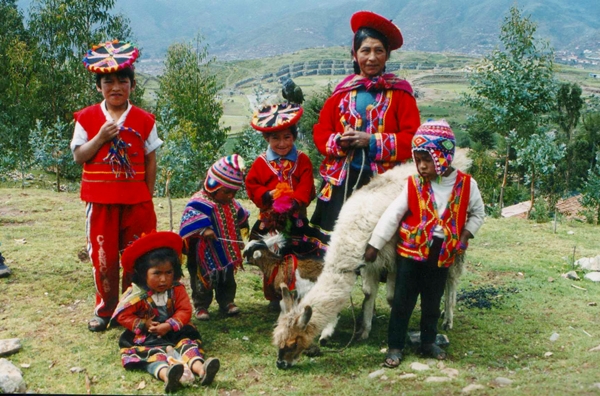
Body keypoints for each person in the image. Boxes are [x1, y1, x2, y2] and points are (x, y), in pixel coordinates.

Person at [364, 120, 485, 368]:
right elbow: (392, 215)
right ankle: (395, 346)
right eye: (417, 159)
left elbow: (478, 214)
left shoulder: (467, 185)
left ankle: (428, 342)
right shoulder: (413, 185)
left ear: (443, 156)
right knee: (402, 302)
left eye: (426, 160)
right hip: (410, 254)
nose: (420, 166)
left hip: (442, 254)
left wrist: (464, 237)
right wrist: (375, 244)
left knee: (432, 301)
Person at [71, 40, 162, 332]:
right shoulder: (86, 119)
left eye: (123, 80)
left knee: (136, 257)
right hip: (100, 202)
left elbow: (151, 160)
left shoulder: (145, 121)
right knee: (104, 259)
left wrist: (146, 196)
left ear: (132, 85)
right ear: (99, 87)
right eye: (108, 81)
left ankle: (132, 308)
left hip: (136, 202)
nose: (116, 87)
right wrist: (100, 138)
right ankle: (105, 309)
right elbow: (78, 156)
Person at [310, 11, 421, 248]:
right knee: (337, 246)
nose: (372, 57)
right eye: (365, 50)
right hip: (343, 180)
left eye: (378, 50)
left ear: (387, 55)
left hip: (384, 182)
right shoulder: (341, 93)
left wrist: (371, 140)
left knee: (378, 245)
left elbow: (413, 139)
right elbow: (321, 132)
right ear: (355, 53)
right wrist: (339, 141)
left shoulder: (401, 94)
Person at [110, 231, 220, 392]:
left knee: (187, 345)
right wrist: (144, 324)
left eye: (168, 273)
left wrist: (169, 325)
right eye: (157, 273)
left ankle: (202, 369)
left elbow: (184, 309)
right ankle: (168, 375)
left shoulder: (176, 289)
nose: (164, 279)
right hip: (148, 336)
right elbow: (122, 315)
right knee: (153, 355)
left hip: (175, 331)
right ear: (143, 274)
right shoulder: (136, 294)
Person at [245, 103, 319, 310]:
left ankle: (297, 290)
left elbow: (306, 186)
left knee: (297, 253)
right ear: (266, 139)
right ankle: (274, 296)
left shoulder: (302, 160)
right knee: (271, 256)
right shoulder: (261, 163)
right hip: (271, 220)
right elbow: (252, 184)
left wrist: (294, 201)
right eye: (275, 138)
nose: (282, 143)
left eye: (287, 137)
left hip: (296, 217)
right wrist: (268, 195)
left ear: (294, 137)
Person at [179, 155, 249, 321]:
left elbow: (242, 216)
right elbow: (189, 217)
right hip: (201, 254)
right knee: (203, 280)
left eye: (234, 192)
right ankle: (201, 305)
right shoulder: (198, 201)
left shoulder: (231, 204)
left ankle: (227, 301)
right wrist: (204, 229)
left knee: (227, 277)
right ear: (212, 185)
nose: (230, 196)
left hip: (225, 252)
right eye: (226, 192)